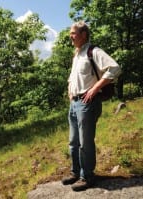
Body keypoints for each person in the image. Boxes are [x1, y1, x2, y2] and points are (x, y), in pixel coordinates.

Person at [62, 21, 121, 191]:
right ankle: (75, 172)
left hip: (87, 103)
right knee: (73, 142)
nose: (70, 36)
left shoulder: (93, 51)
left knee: (84, 143)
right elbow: (72, 78)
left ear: (83, 35)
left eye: (73, 33)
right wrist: (70, 91)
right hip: (74, 103)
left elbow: (115, 68)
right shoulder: (77, 54)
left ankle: (87, 176)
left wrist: (95, 88)